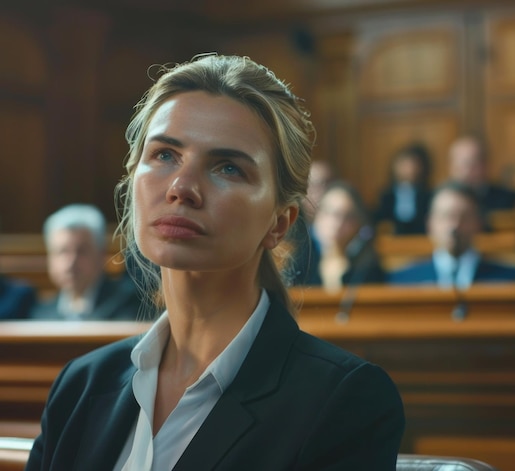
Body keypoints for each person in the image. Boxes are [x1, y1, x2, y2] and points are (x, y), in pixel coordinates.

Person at [26, 54, 405, 470]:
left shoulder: (344, 400)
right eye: (165, 155)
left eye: (227, 167)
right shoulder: (80, 385)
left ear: (279, 222)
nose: (182, 188)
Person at [388, 181, 515, 287]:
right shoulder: (402, 280)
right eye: (446, 216)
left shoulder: (512, 279)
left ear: (478, 223)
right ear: (430, 224)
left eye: (464, 217)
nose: (454, 225)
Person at [29, 204, 143, 321]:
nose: (71, 262)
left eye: (81, 251)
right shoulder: (40, 313)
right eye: (62, 251)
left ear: (101, 255)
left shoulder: (127, 303)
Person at [292, 180, 386, 291]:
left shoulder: (367, 266)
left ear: (357, 224)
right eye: (330, 212)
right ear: (317, 215)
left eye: (347, 216)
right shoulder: (299, 259)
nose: (337, 224)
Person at [447, 135, 515, 228]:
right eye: (461, 164)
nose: (467, 171)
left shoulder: (508, 199)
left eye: (472, 164)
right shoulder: (436, 199)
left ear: (485, 165)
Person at [373, 142, 432, 235]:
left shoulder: (427, 195)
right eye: (405, 164)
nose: (410, 169)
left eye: (413, 164)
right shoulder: (386, 195)